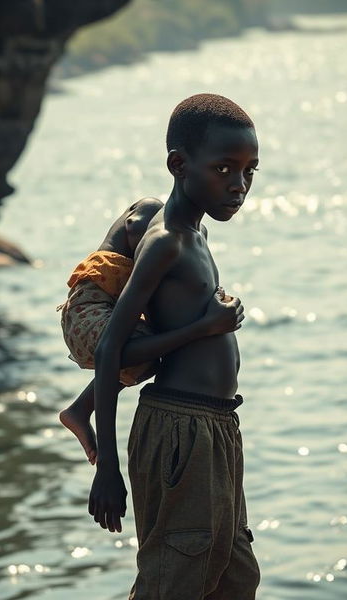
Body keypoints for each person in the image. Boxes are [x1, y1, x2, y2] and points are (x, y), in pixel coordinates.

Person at [89, 93, 261, 600]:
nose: (239, 184)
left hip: (218, 426)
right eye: (225, 169)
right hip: (177, 426)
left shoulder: (196, 233)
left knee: (230, 567)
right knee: (166, 571)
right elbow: (113, 352)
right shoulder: (165, 240)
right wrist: (106, 463)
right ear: (179, 164)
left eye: (250, 170)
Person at [58, 197, 242, 464]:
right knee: (145, 353)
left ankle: (79, 408)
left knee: (149, 358)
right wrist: (202, 325)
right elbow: (109, 351)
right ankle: (80, 409)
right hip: (86, 313)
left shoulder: (190, 233)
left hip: (214, 416)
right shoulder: (153, 224)